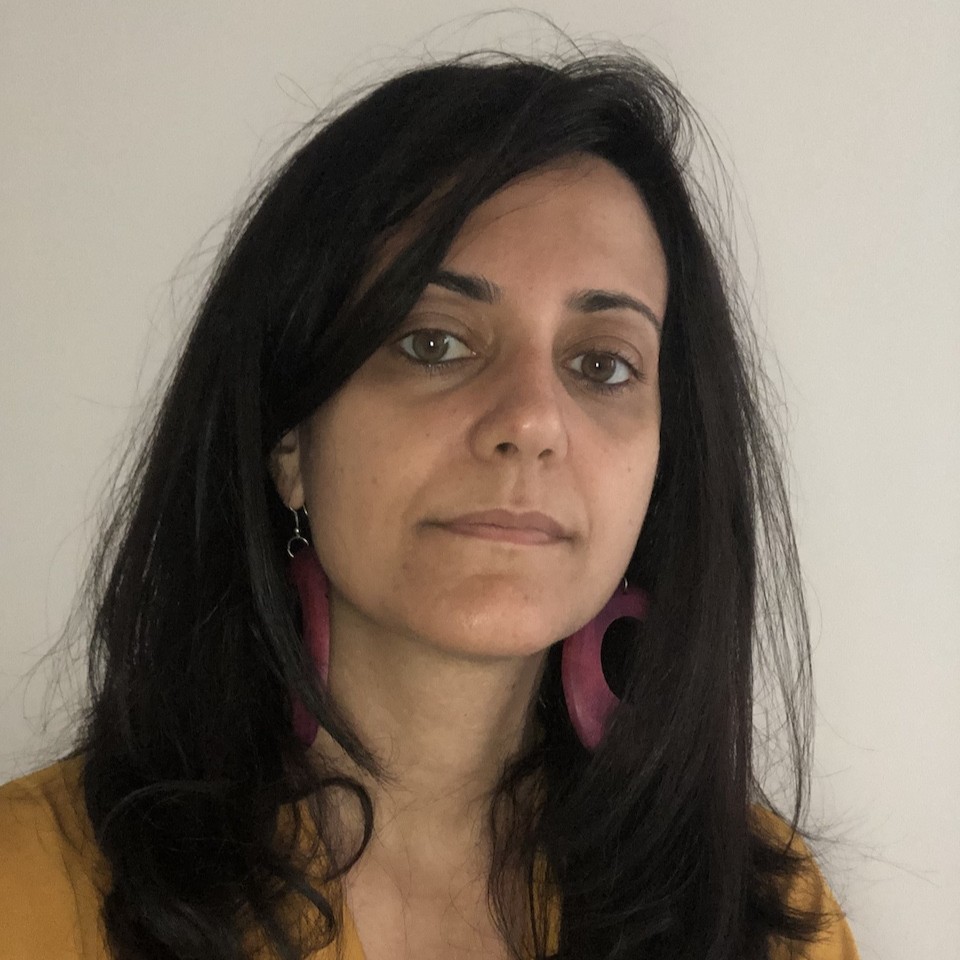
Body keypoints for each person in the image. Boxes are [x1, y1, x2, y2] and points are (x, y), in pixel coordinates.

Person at [0, 48, 860, 960]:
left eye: (602, 364)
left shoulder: (767, 918)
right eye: (435, 342)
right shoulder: (30, 890)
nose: (531, 420)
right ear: (289, 442)